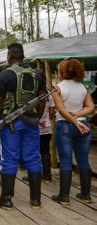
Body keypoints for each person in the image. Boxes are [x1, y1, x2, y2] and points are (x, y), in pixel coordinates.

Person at [0, 43, 46, 210]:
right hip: (32, 122)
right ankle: (35, 200)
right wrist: (38, 117)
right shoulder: (37, 75)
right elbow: (42, 100)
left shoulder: (5, 75)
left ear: (10, 56)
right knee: (33, 158)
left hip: (11, 124)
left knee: (9, 158)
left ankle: (6, 199)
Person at [51, 59, 95, 205]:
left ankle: (64, 196)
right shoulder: (83, 87)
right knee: (83, 160)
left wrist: (73, 119)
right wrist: (78, 116)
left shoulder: (58, 87)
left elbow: (61, 110)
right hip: (84, 125)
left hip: (66, 126)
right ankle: (86, 195)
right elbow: (91, 107)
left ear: (62, 72)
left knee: (65, 161)